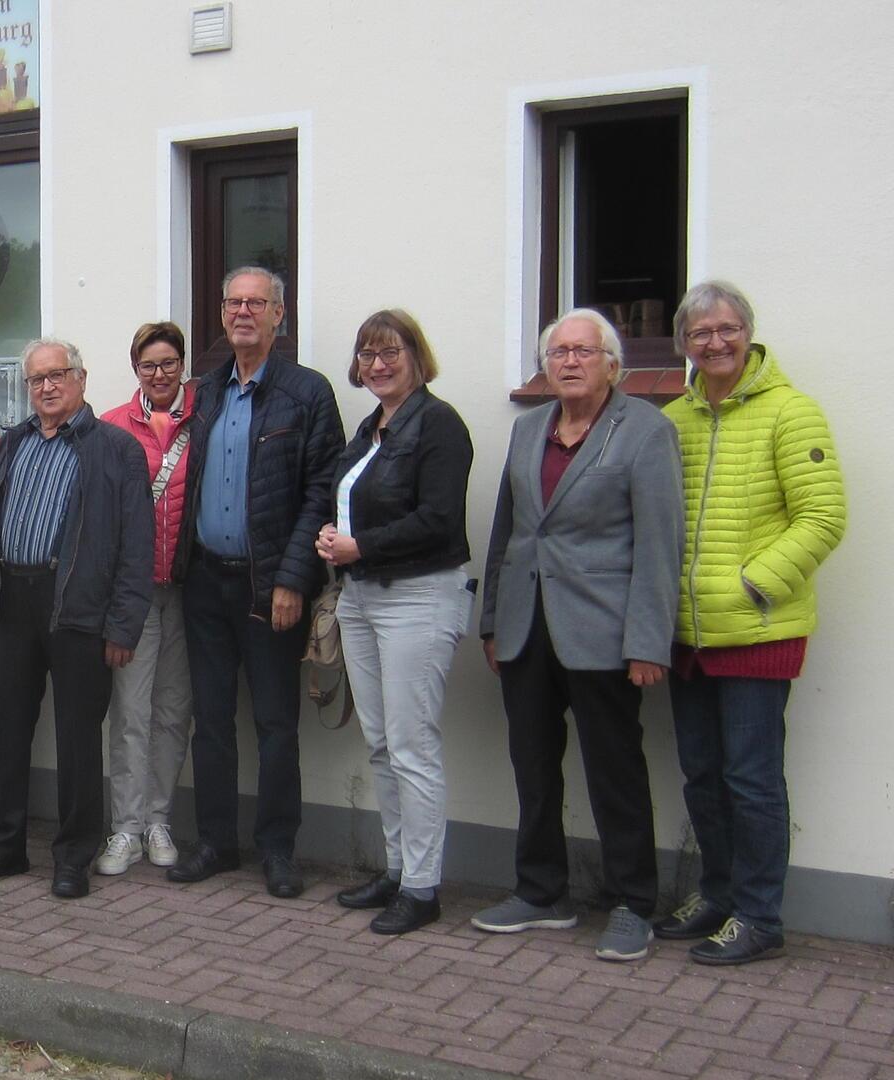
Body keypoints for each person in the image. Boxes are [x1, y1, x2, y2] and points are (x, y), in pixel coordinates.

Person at [474, 308, 684, 963]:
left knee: (614, 767)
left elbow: (659, 543)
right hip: (526, 626)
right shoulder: (530, 427)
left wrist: (649, 640)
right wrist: (491, 620)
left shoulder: (645, 430)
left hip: (603, 629)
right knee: (533, 766)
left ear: (612, 364)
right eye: (558, 352)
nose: (568, 362)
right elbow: (507, 531)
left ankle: (632, 903)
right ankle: (541, 892)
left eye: (582, 352)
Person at [656, 281, 846, 966]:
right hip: (688, 634)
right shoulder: (672, 420)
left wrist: (753, 584)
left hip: (758, 632)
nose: (716, 342)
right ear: (684, 345)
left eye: (727, 329)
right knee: (702, 776)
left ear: (749, 334)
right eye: (701, 333)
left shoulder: (791, 413)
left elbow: (823, 518)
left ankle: (760, 915)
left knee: (752, 780)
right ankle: (718, 895)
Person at [0, 338, 153, 900]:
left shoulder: (116, 449)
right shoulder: (11, 443)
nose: (45, 386)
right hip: (13, 603)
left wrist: (122, 626)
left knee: (77, 738)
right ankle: (5, 847)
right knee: (6, 730)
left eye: (57, 375)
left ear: (82, 378)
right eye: (36, 378)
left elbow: (138, 545)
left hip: (79, 610)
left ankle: (73, 856)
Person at [173, 267, 343, 897]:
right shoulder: (207, 391)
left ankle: (277, 849)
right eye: (233, 302)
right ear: (221, 315)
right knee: (211, 722)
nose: (243, 312)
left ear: (279, 314)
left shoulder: (307, 392)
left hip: (270, 587)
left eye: (256, 303)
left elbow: (322, 491)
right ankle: (216, 842)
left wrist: (294, 577)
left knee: (275, 724)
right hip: (205, 584)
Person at [313, 310, 474, 935]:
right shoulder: (371, 428)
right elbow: (355, 502)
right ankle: (397, 867)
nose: (378, 365)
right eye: (368, 355)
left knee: (412, 746)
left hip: (417, 597)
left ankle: (424, 886)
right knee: (380, 743)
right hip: (361, 597)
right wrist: (335, 537)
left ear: (416, 355)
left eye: (390, 353)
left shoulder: (438, 425)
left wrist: (363, 546)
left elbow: (439, 519)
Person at [93, 322, 198, 877]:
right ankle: (125, 827)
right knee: (132, 712)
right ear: (136, 370)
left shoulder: (204, 420)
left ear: (183, 365)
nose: (159, 375)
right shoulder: (112, 427)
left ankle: (159, 820)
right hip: (132, 594)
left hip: (188, 591)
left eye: (168, 363)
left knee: (175, 711)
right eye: (148, 366)